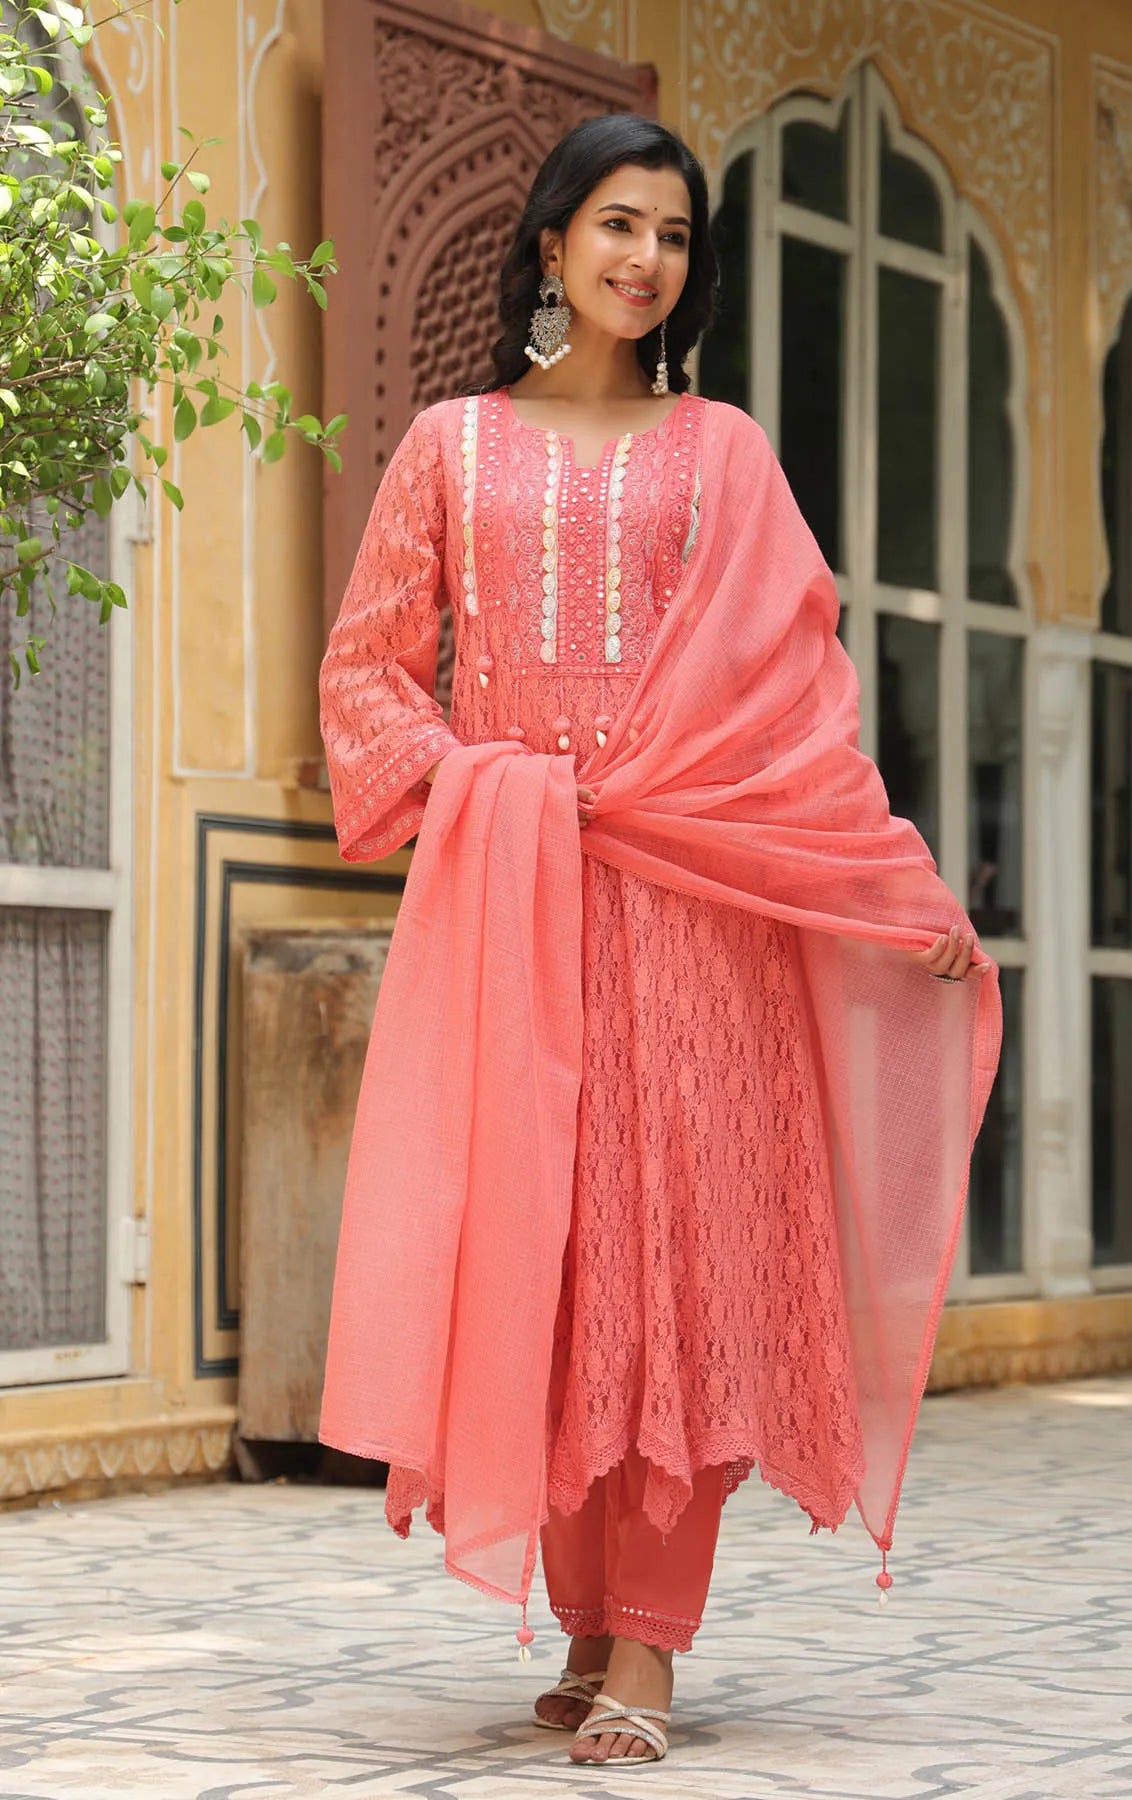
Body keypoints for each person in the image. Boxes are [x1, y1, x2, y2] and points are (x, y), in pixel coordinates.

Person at [316, 113, 1001, 1771]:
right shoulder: (450, 450)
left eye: (677, 237)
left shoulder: (725, 456)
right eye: (618, 226)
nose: (646, 260)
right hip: (519, 912)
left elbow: (798, 714)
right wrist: (488, 785)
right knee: (547, 1266)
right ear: (551, 243)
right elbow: (366, 674)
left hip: (697, 923)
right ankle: (585, 1607)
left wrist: (889, 887)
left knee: (674, 1265)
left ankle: (651, 1644)